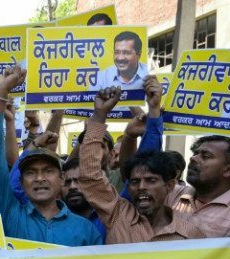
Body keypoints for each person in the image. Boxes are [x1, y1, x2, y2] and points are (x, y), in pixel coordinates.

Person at [0, 66, 102, 246]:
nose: (40, 178)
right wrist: (1, 91)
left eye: (47, 171)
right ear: (21, 182)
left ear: (62, 179)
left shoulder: (86, 230)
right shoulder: (9, 214)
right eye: (31, 172)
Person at [80, 84, 205, 243]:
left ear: (170, 185)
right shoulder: (117, 214)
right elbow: (90, 175)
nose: (141, 187)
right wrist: (99, 115)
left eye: (151, 180)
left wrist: (154, 110)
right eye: (135, 181)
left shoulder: (189, 236)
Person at [174, 135, 230, 237]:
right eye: (195, 153)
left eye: (206, 156)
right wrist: (134, 137)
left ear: (227, 170)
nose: (193, 158)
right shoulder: (173, 194)